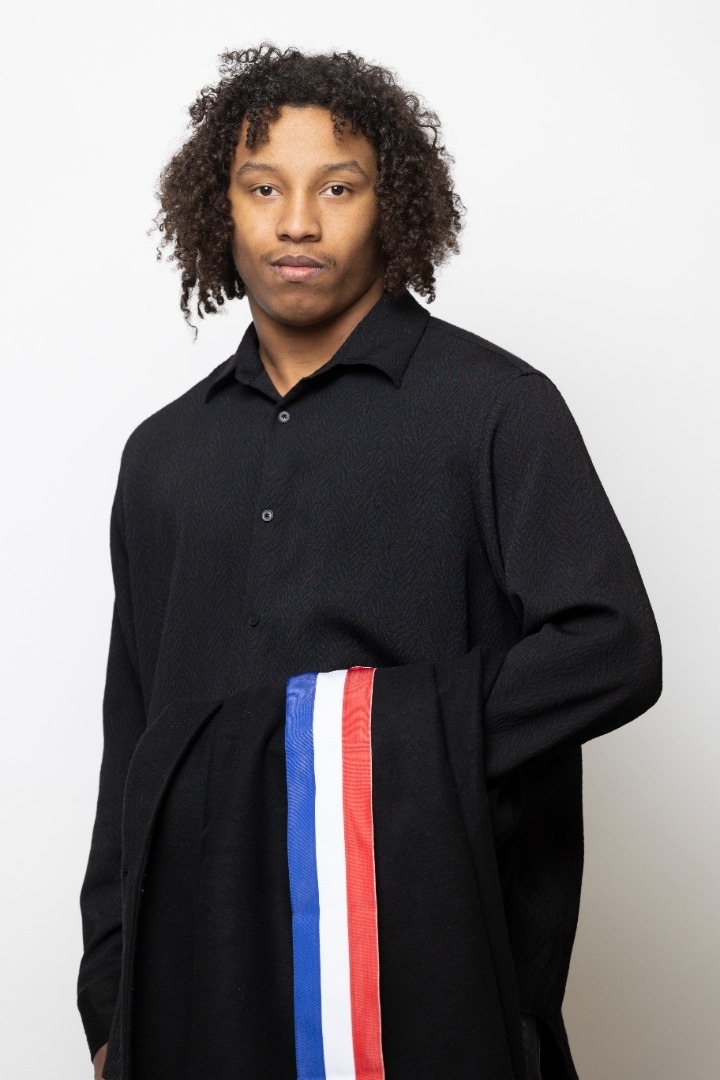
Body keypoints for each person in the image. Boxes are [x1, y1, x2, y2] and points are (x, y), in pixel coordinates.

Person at [77, 44, 662, 1080]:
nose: (297, 222)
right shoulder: (161, 455)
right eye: (264, 188)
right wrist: (109, 993)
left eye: (337, 188)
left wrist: (368, 745)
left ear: (392, 207)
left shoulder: (496, 409)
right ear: (222, 209)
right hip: (199, 982)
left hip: (422, 970)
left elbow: (614, 649)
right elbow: (135, 732)